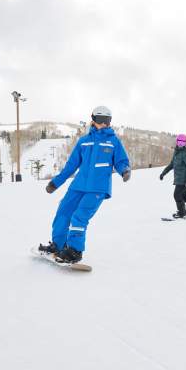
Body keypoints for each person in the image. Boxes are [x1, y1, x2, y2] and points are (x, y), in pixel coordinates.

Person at [38, 106, 131, 263]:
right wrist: (55, 183)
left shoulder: (113, 141)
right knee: (63, 212)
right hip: (78, 186)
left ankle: (75, 250)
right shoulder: (84, 142)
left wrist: (125, 171)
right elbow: (70, 166)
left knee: (79, 217)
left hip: (98, 188)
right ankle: (58, 245)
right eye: (100, 120)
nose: (104, 124)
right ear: (93, 120)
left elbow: (121, 160)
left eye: (107, 121)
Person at [159, 134, 186, 218]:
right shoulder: (176, 153)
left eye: (183, 143)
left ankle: (182, 212)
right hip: (178, 179)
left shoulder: (184, 154)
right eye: (179, 142)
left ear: (185, 143)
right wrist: (163, 173)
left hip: (183, 180)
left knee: (177, 195)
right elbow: (171, 165)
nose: (181, 144)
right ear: (177, 142)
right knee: (183, 196)